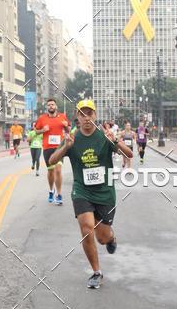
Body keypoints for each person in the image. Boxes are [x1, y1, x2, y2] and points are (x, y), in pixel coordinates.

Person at [49, 99, 133, 289]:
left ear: (95, 116)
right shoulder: (72, 138)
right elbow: (52, 161)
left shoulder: (105, 136)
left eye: (89, 114)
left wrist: (116, 141)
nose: (86, 118)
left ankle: (111, 238)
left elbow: (129, 154)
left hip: (105, 193)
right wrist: (65, 148)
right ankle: (96, 272)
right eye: (82, 114)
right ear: (77, 117)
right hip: (82, 190)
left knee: (102, 237)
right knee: (87, 228)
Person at [34, 99, 70, 205]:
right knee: (50, 172)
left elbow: (68, 130)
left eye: (52, 104)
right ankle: (51, 190)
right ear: (47, 107)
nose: (51, 106)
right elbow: (35, 131)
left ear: (56, 106)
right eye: (49, 105)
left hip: (59, 147)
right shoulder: (42, 118)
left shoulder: (63, 117)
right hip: (47, 148)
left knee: (58, 170)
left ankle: (59, 195)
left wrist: (65, 126)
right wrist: (42, 130)